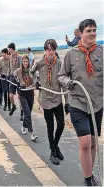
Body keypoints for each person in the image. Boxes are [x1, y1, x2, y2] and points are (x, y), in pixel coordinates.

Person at [58, 19, 102, 186]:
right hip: (77, 102)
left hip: (97, 104)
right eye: (88, 31)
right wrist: (67, 82)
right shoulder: (71, 53)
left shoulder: (101, 52)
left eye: (94, 30)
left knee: (93, 141)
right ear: (81, 33)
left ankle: (91, 174)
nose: (92, 33)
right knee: (84, 142)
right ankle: (87, 179)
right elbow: (61, 75)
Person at [30, 39, 66, 165]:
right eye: (48, 49)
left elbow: (63, 80)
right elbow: (31, 72)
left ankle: (55, 146)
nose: (51, 52)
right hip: (45, 99)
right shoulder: (40, 62)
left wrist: (67, 101)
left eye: (53, 49)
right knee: (50, 126)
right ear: (45, 50)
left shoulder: (60, 64)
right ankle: (53, 152)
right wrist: (36, 82)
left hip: (57, 98)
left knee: (61, 124)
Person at [14, 55, 38, 141]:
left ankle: (23, 126)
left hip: (30, 93)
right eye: (24, 61)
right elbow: (14, 76)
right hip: (22, 94)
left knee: (29, 113)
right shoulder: (19, 71)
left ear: (29, 62)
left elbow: (35, 80)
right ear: (22, 62)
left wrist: (34, 85)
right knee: (27, 113)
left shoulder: (31, 70)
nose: (25, 63)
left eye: (26, 61)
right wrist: (18, 83)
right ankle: (32, 133)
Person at [8, 43, 22, 116]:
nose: (8, 50)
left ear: (11, 48)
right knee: (10, 95)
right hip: (12, 78)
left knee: (20, 96)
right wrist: (8, 73)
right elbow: (10, 67)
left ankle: (22, 112)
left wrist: (16, 72)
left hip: (19, 78)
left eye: (9, 49)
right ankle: (13, 106)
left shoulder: (19, 57)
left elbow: (21, 67)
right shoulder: (10, 57)